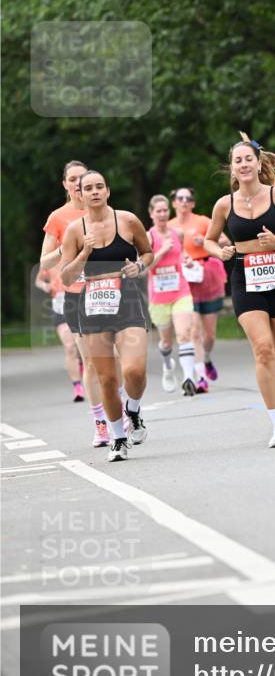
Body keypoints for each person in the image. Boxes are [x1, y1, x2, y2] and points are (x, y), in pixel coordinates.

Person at [204, 135, 275, 448]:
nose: (243, 165)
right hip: (245, 279)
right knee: (262, 349)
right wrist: (220, 252)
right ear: (232, 168)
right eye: (237, 161)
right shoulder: (224, 204)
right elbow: (209, 240)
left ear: (258, 163)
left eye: (247, 159)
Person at [60, 170, 153, 463]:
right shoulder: (75, 230)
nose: (95, 192)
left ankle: (134, 410)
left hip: (126, 300)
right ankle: (118, 437)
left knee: (134, 371)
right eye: (88, 188)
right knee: (107, 378)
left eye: (100, 186)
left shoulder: (126, 220)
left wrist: (138, 267)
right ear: (80, 194)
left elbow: (147, 253)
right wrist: (84, 253)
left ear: (108, 191)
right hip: (93, 305)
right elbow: (66, 277)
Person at [40, 159, 112, 446]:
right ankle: (100, 423)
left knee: (114, 358)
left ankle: (123, 408)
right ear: (66, 185)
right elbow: (44, 262)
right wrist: (67, 247)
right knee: (91, 362)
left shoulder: (108, 213)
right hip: (76, 294)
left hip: (109, 290)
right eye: (72, 179)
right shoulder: (58, 218)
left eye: (82, 178)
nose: (77, 184)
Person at [168, 187, 227, 393]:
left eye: (188, 198)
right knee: (193, 330)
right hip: (184, 279)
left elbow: (225, 241)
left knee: (209, 335)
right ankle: (200, 377)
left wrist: (206, 241)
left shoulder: (202, 221)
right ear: (174, 203)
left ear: (192, 203)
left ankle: (207, 358)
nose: (184, 201)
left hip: (207, 276)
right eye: (179, 198)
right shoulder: (168, 226)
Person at [147, 194, 197, 396]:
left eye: (165, 210)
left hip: (180, 291)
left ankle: (188, 377)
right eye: (158, 211)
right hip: (158, 297)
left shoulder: (178, 233)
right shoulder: (148, 236)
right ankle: (168, 366)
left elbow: (182, 254)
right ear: (151, 214)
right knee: (166, 342)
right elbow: (144, 267)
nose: (162, 214)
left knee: (184, 333)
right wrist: (161, 250)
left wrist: (188, 260)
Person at [35, 266, 84, 401]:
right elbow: (38, 280)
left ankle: (80, 363)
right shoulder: (49, 258)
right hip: (59, 307)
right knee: (70, 347)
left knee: (80, 345)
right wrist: (45, 285)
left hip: (79, 303)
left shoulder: (76, 250)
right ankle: (77, 387)